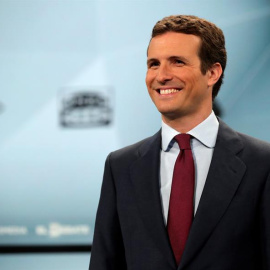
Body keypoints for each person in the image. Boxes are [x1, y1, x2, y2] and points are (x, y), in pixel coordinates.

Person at [89, 15, 270, 270]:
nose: (161, 75)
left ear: (212, 73)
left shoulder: (262, 163)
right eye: (153, 64)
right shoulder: (120, 167)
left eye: (177, 62)